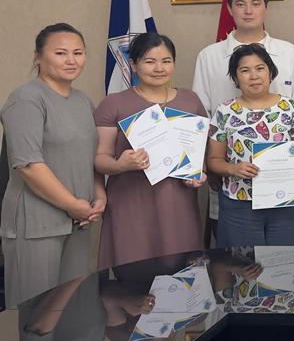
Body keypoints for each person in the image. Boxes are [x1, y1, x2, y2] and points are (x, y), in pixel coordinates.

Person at [193, 0, 294, 244]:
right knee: (239, 257)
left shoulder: (289, 53)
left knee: (283, 259)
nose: (248, 10)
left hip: (284, 184)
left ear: (266, 8)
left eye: (255, 3)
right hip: (233, 182)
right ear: (229, 9)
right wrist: (215, 167)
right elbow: (201, 116)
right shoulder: (209, 56)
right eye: (240, 4)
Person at [1, 23, 105, 305]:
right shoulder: (26, 99)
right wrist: (72, 204)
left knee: (70, 310)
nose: (71, 60)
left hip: (79, 221)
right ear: (38, 56)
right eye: (60, 53)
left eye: (78, 53)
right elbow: (28, 165)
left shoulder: (83, 101)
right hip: (36, 224)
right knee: (35, 314)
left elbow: (92, 157)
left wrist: (99, 196)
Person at [93, 33, 206, 269]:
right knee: (134, 275)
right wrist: (120, 165)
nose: (159, 68)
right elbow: (99, 159)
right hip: (131, 205)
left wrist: (198, 174)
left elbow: (199, 152)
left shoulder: (190, 100)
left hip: (178, 205)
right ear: (133, 65)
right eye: (149, 61)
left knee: (182, 276)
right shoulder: (114, 103)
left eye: (166, 61)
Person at [205, 43, 294, 247]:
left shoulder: (290, 108)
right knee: (243, 264)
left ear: (270, 72)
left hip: (285, 203)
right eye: (245, 70)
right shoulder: (225, 111)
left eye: (260, 68)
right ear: (236, 77)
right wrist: (233, 169)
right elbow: (213, 160)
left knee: (283, 264)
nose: (254, 76)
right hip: (239, 206)